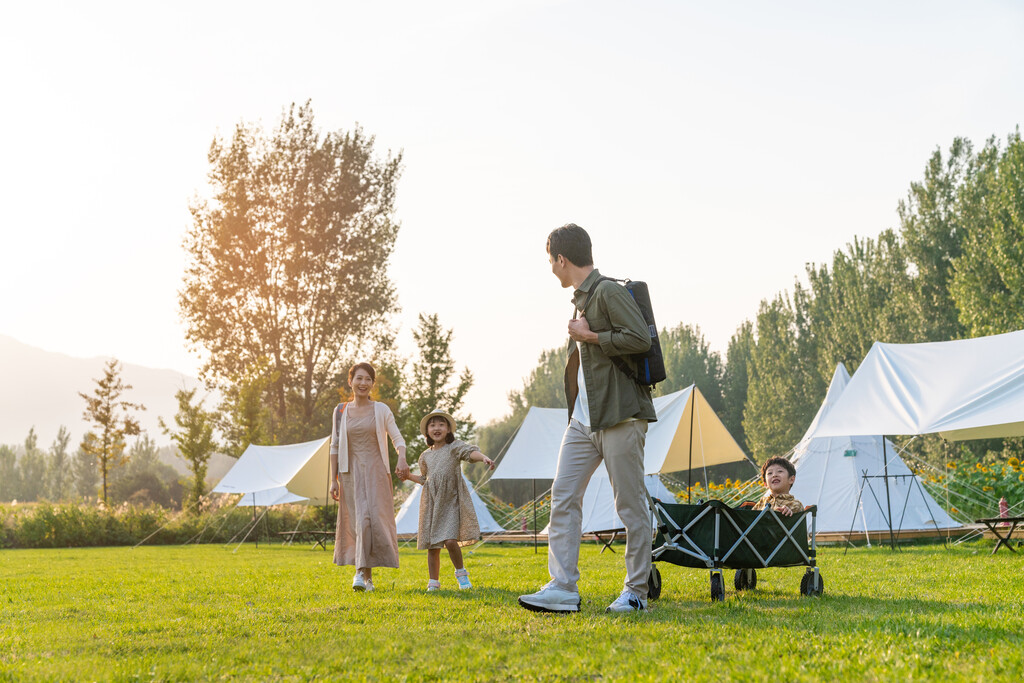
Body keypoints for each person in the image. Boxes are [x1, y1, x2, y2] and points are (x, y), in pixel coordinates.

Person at [518, 223, 657, 614]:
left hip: (619, 417)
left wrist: (591, 336)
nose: (551, 270)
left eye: (551, 262)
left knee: (630, 506)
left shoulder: (609, 291)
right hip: (582, 422)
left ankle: (636, 593)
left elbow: (640, 339)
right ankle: (563, 587)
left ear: (562, 259)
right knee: (563, 498)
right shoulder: (580, 300)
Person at [329, 362, 410, 592]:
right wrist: (332, 480)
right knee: (359, 522)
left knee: (371, 523)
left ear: (372, 384)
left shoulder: (381, 409)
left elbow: (398, 439)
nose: (363, 383)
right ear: (350, 381)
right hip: (349, 473)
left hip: (376, 472)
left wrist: (401, 458)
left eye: (368, 380)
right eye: (359, 378)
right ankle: (362, 575)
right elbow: (334, 446)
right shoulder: (340, 411)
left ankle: (365, 577)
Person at [399, 409, 495, 591]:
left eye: (441, 424)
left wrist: (484, 458)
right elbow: (425, 480)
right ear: (427, 431)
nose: (437, 428)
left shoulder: (454, 448)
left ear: (449, 429)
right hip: (432, 503)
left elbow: (470, 453)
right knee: (432, 545)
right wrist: (408, 476)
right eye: (432, 425)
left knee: (450, 541)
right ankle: (433, 583)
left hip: (451, 501)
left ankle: (462, 575)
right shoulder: (425, 456)